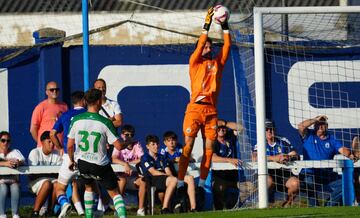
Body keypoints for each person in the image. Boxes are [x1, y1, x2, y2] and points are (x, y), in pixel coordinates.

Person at [177, 6, 231, 206]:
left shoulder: (218, 64)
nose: (209, 49)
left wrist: (225, 26)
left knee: (209, 149)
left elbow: (226, 47)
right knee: (188, 146)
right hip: (194, 110)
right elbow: (200, 45)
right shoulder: (194, 63)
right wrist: (206, 25)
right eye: (207, 47)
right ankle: (181, 184)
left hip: (211, 112)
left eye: (210, 47)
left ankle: (200, 185)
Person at [67, 88, 128, 218]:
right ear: (99, 101)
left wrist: (72, 161)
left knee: (89, 188)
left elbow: (70, 146)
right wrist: (127, 142)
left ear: (85, 101)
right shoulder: (105, 121)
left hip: (82, 163)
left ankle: (89, 216)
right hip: (99, 164)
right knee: (115, 193)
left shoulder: (76, 120)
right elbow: (118, 146)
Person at [298, 115, 352, 206]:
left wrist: (350, 154)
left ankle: (328, 206)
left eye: (323, 124)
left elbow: (342, 150)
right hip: (309, 173)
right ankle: (314, 207)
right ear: (315, 125)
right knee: (309, 182)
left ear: (327, 126)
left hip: (326, 174)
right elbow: (301, 126)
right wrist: (315, 119)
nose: (321, 126)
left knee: (345, 183)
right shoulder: (308, 135)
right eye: (318, 124)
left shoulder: (332, 139)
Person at [50, 91, 87, 217]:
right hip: (87, 156)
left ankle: (65, 203)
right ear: (83, 100)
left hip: (69, 156)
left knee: (60, 188)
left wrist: (60, 147)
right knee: (91, 186)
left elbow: (52, 134)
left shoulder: (65, 115)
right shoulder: (89, 114)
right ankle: (89, 212)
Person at [252, 120, 299, 207]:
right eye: (267, 129)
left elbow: (295, 154)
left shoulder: (283, 141)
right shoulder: (260, 143)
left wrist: (287, 157)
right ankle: (264, 204)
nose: (269, 131)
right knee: (268, 181)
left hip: (283, 174)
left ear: (275, 129)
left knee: (295, 183)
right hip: (267, 174)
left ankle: (286, 205)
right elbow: (254, 158)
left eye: (271, 129)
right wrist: (274, 158)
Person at [111, 124, 146, 216]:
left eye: (131, 135)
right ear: (122, 135)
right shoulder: (119, 145)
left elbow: (142, 158)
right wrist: (125, 164)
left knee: (143, 182)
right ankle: (118, 209)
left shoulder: (136, 144)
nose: (129, 137)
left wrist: (129, 164)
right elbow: (113, 158)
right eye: (127, 135)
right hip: (121, 178)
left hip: (133, 178)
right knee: (122, 180)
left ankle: (141, 210)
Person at [139, 135, 178, 214]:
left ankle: (167, 207)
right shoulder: (145, 157)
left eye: (157, 144)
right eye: (153, 144)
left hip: (162, 179)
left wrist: (170, 176)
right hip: (152, 180)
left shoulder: (162, 157)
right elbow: (153, 172)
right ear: (147, 146)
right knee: (173, 180)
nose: (156, 146)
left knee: (175, 180)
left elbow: (167, 170)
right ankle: (168, 207)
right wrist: (168, 177)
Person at [28, 131, 63, 217]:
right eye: (49, 141)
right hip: (34, 182)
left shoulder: (57, 154)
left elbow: (59, 173)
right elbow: (33, 174)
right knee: (47, 183)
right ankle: (35, 212)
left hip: (51, 181)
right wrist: (50, 174)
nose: (52, 144)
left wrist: (46, 174)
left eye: (53, 142)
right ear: (42, 142)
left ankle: (50, 211)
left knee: (56, 184)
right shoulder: (34, 152)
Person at [160, 131, 196, 212]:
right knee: (174, 181)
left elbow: (191, 159)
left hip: (180, 175)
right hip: (169, 176)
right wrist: (173, 160)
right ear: (165, 143)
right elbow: (162, 161)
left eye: (173, 140)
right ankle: (167, 208)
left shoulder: (180, 148)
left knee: (190, 178)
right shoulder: (163, 150)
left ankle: (193, 208)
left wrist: (184, 158)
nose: (172, 143)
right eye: (169, 141)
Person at [30, 81, 68, 147]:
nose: (54, 91)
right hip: (46, 149)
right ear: (46, 92)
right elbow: (33, 129)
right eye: (52, 90)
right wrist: (41, 143)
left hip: (60, 147)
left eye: (56, 89)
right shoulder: (41, 107)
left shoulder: (64, 106)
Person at [0, 131, 25, 218]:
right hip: (1, 182)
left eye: (8, 141)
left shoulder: (14, 151)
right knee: (2, 188)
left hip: (13, 180)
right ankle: (2, 214)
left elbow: (22, 160)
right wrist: (5, 163)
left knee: (15, 187)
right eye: (3, 140)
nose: (5, 143)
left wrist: (18, 162)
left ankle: (15, 215)